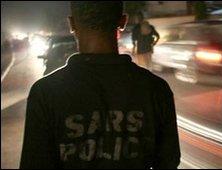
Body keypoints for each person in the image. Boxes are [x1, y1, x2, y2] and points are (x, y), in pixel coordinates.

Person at [20, 1, 180, 169]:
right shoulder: (156, 89)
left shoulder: (45, 92)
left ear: (72, 24)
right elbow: (169, 161)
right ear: (123, 22)